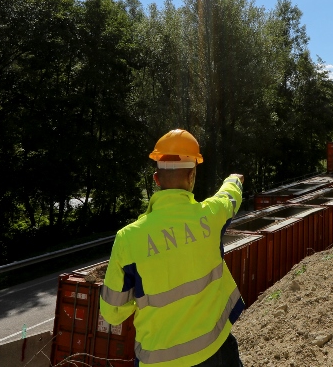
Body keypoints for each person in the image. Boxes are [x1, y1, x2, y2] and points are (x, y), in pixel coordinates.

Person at [99, 129, 246, 367]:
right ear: (192, 176)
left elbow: (113, 312)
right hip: (215, 352)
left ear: (156, 180)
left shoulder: (128, 239)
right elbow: (229, 198)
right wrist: (233, 180)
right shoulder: (210, 216)